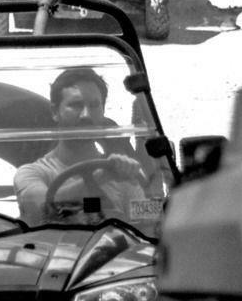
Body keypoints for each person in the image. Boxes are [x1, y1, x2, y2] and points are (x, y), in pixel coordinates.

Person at [14, 66, 161, 224]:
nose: (86, 115)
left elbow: (148, 226)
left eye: (94, 105)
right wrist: (99, 177)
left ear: (103, 111)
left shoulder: (121, 172)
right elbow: (38, 209)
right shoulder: (32, 173)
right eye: (76, 105)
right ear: (55, 112)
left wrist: (150, 186)